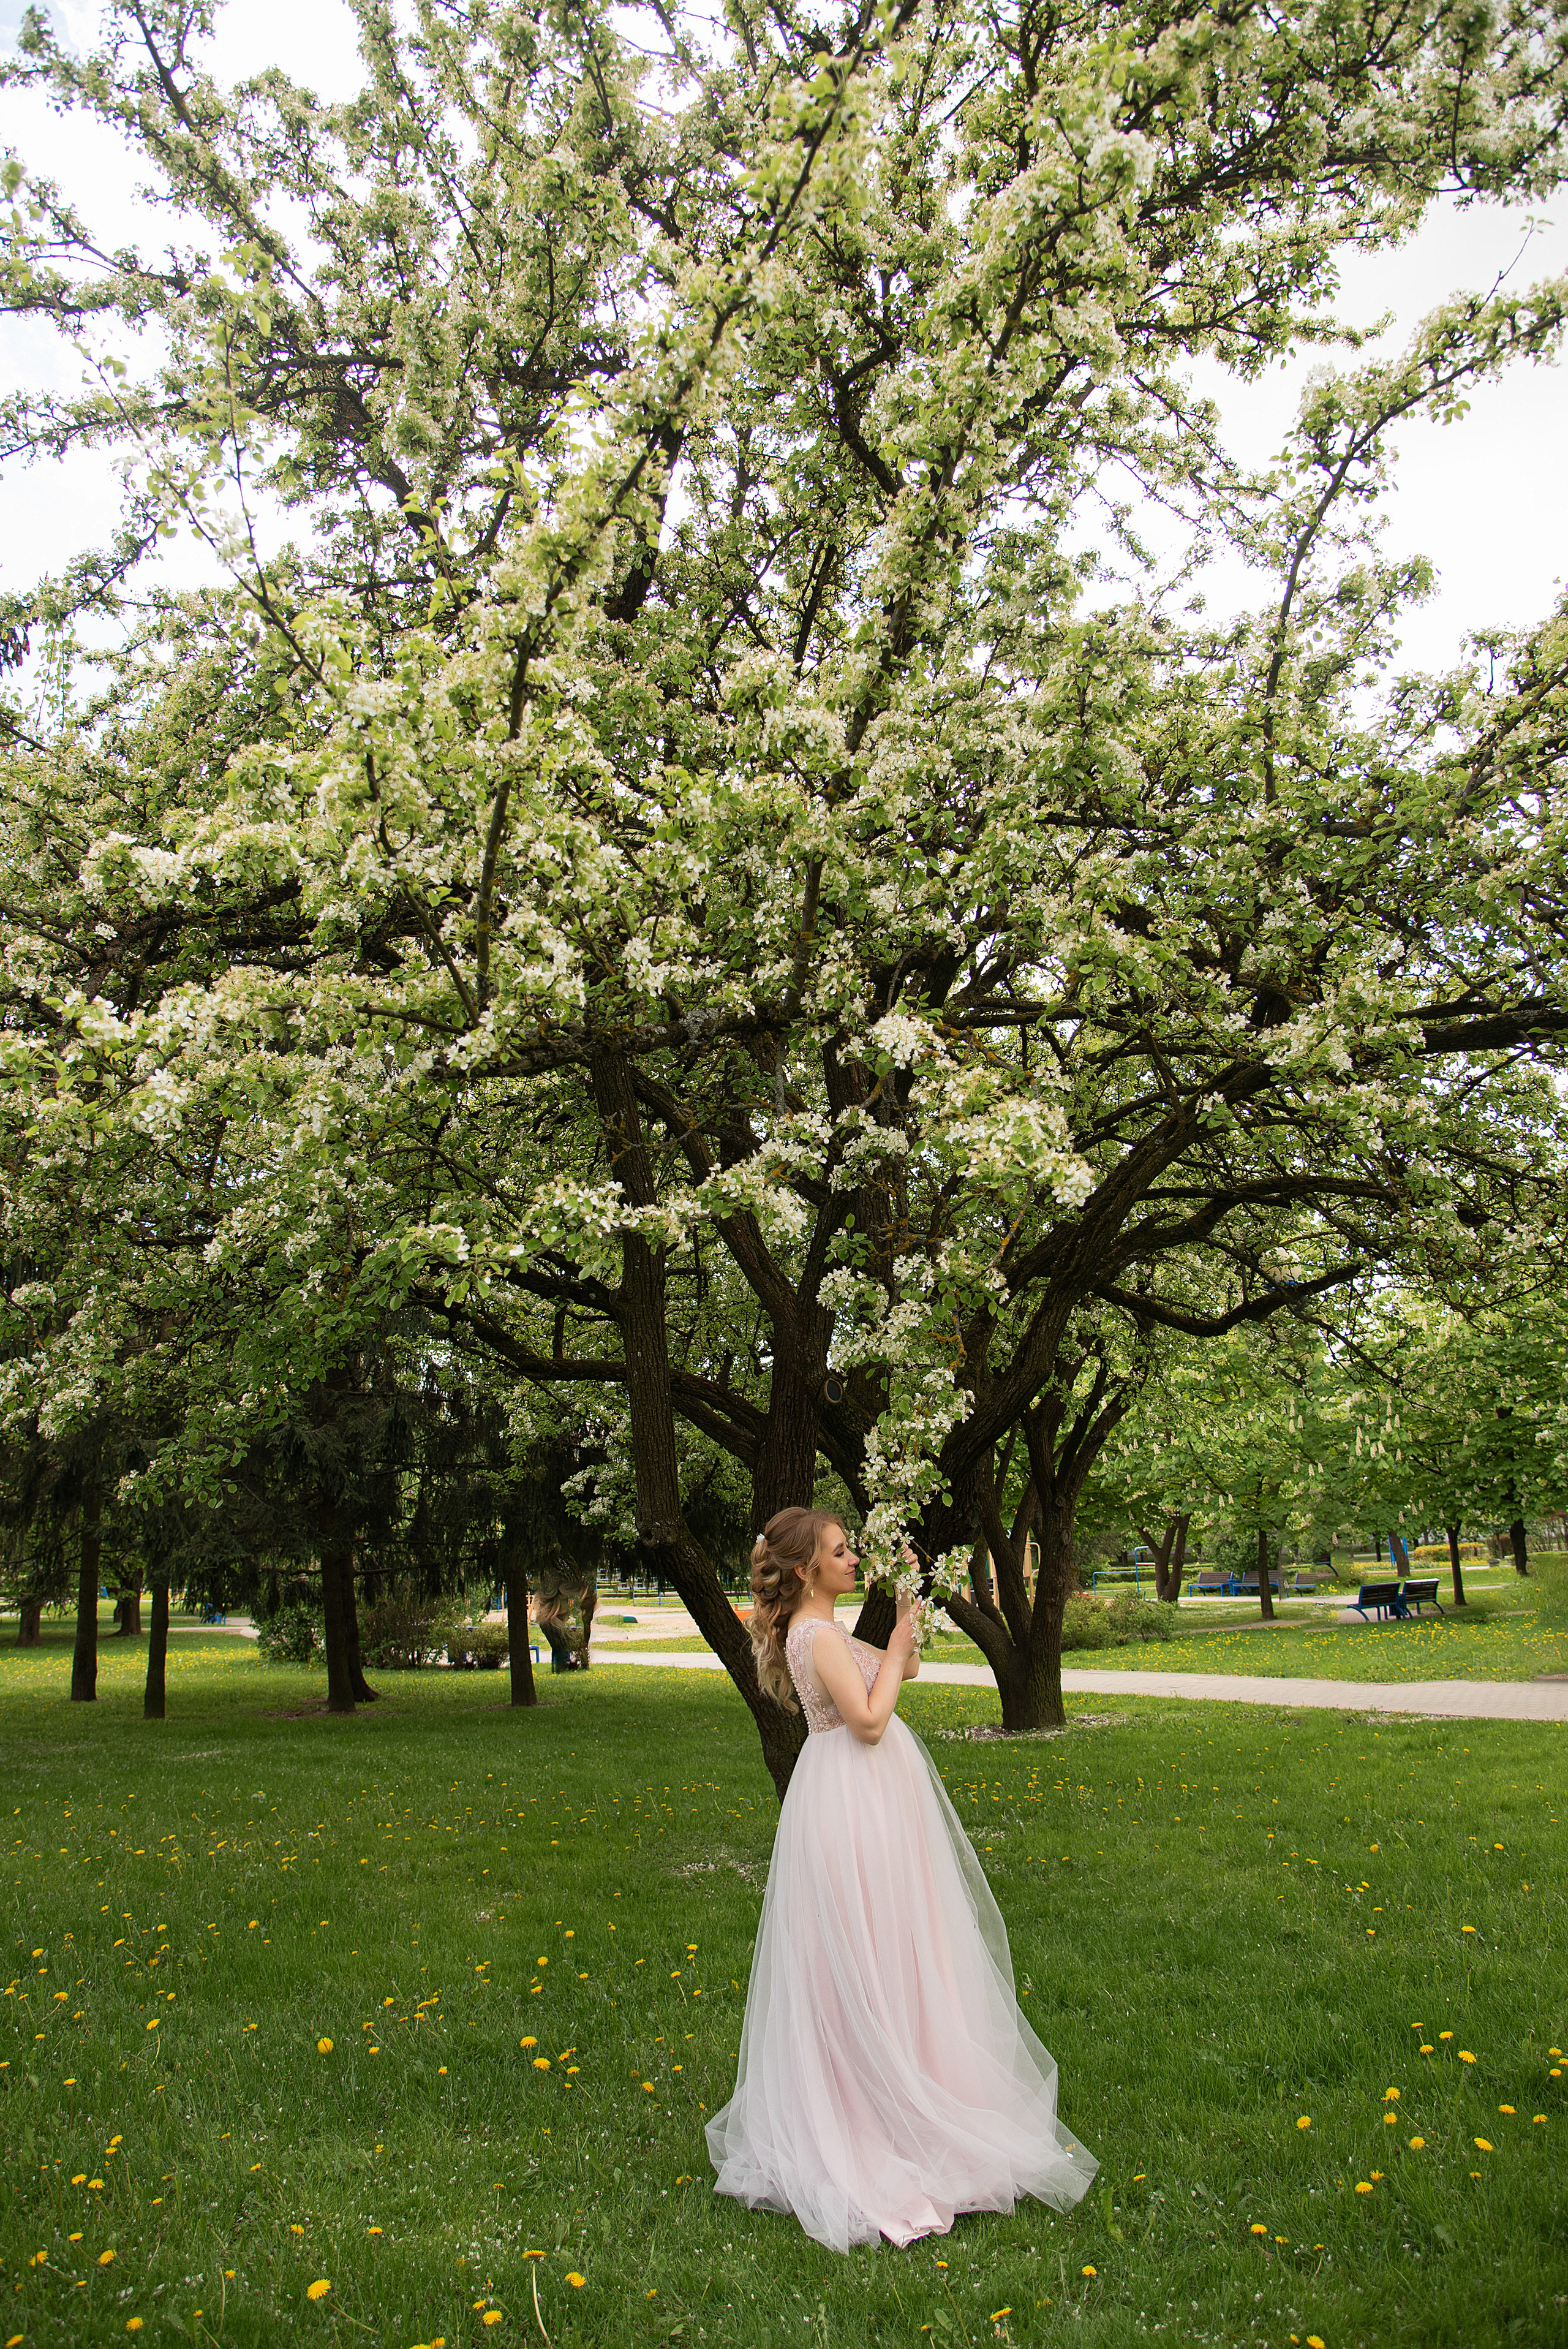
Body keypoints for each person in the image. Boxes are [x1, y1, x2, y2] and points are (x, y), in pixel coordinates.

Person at [706, 1507, 1098, 2252]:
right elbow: (870, 1719)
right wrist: (888, 1645)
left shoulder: (828, 1631)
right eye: (840, 1551)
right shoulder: (811, 1636)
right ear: (803, 1570)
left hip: (870, 1797)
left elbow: (902, 1671)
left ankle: (905, 2083)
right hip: (850, 1798)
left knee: (898, 1942)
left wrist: (910, 1614)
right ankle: (868, 2111)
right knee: (868, 1945)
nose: (854, 1559)